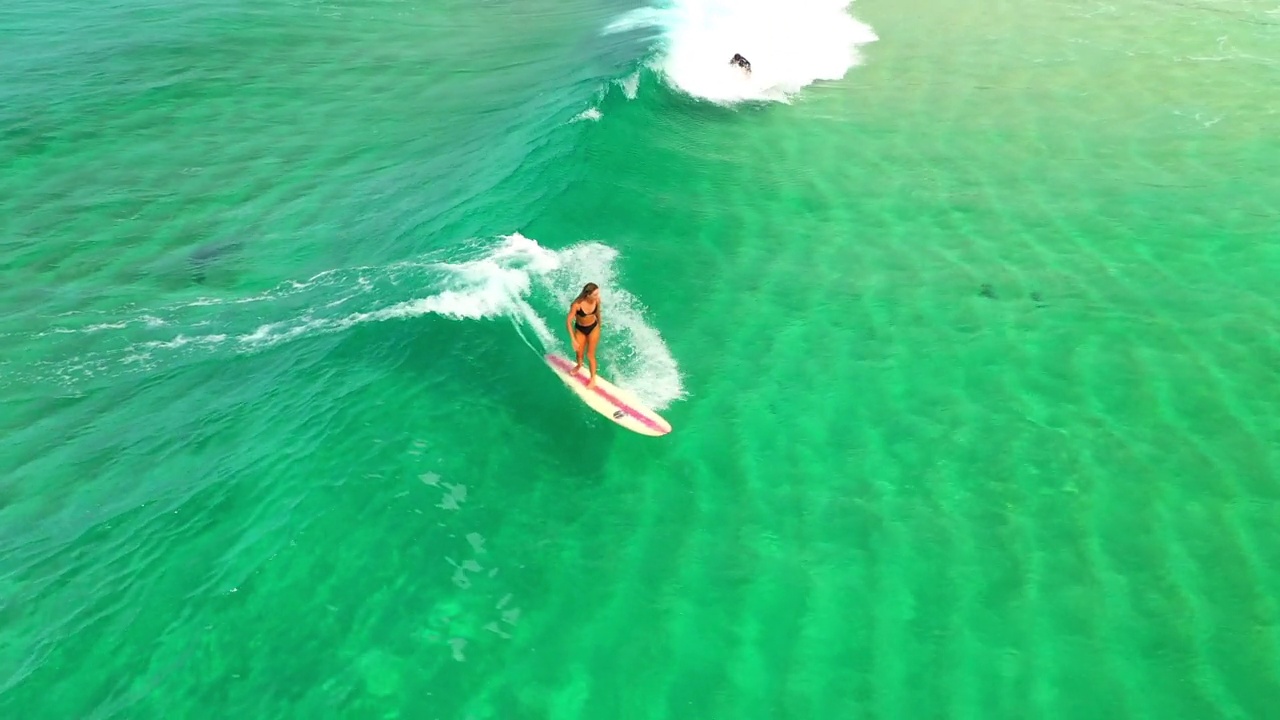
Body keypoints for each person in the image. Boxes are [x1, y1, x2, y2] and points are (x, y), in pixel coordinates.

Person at [565, 282, 601, 387]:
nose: (597, 296)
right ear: (587, 295)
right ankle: (579, 365)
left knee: (590, 355)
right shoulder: (577, 305)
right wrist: (573, 339)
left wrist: (600, 326)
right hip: (580, 329)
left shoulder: (597, 300)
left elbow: (598, 313)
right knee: (579, 353)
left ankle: (593, 378)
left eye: (598, 293)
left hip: (593, 328)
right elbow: (568, 322)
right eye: (595, 294)